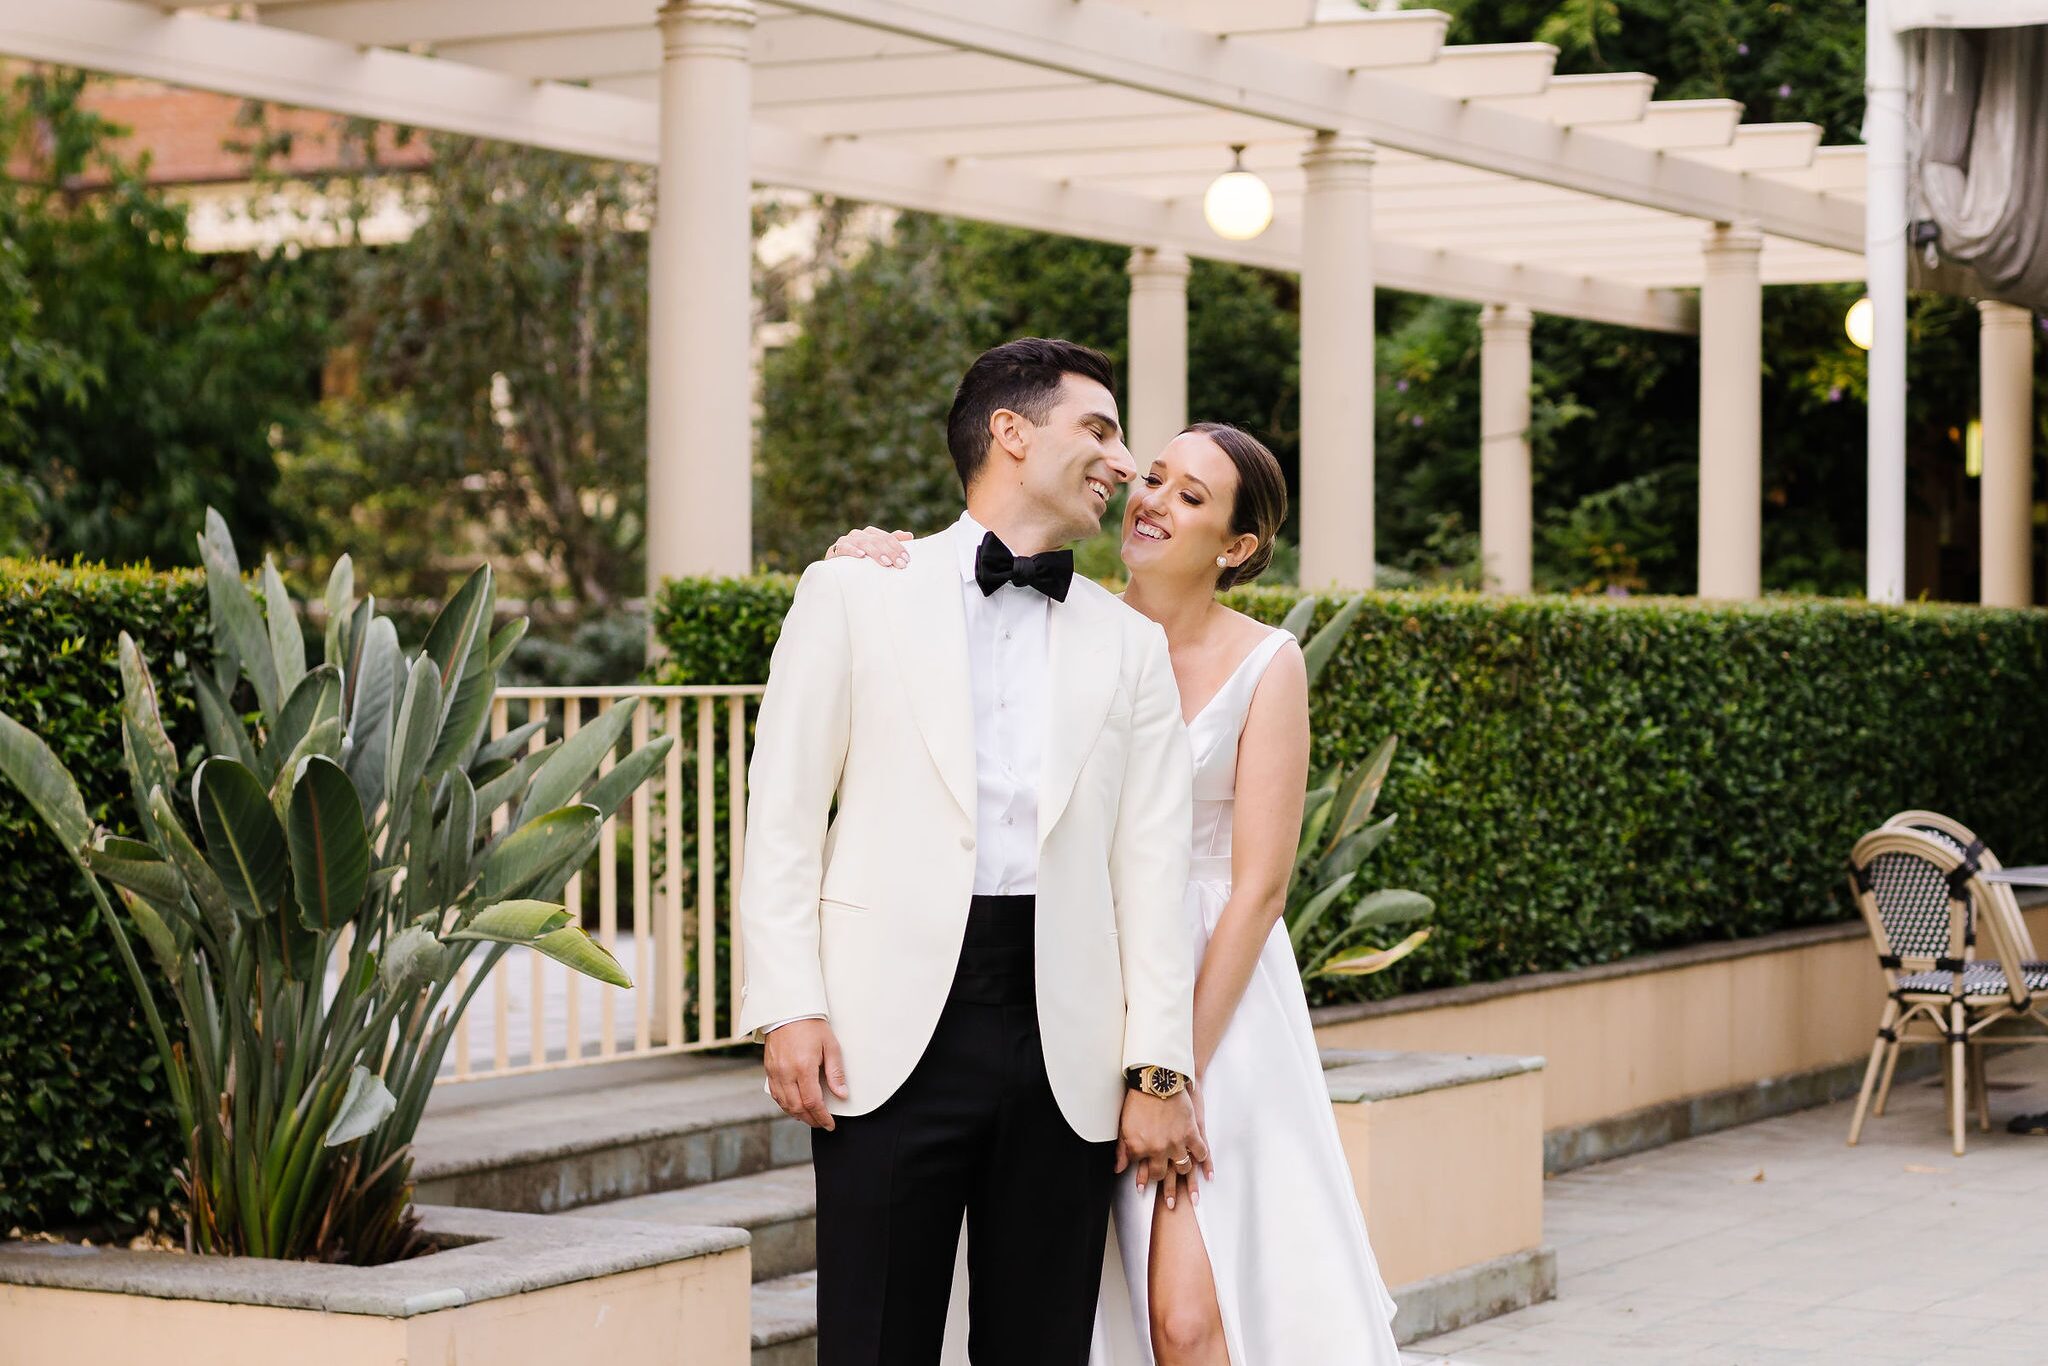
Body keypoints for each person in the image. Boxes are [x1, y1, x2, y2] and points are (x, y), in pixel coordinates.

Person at [829, 420, 1402, 1365]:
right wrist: (869, 557)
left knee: (1187, 1316)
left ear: (1238, 547)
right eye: (1156, 477)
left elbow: (1259, 889)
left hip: (1213, 999)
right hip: (1075, 985)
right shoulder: (1060, 619)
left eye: (1190, 496)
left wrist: (1168, 1071)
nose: (1153, 501)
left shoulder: (1267, 662)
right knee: (1073, 1304)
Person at [735, 337, 1208, 1366]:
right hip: (882, 1033)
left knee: (1041, 1344)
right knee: (872, 1342)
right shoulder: (855, 590)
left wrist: (1156, 1067)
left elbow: (1151, 870)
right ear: (1011, 432)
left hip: (1067, 1044)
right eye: (1098, 429)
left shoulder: (1129, 644)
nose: (1123, 461)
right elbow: (782, 814)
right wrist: (789, 1003)